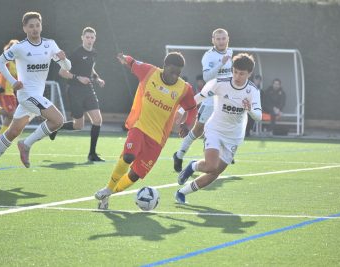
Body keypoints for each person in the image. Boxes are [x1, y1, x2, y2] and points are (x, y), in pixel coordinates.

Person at [94, 52, 197, 209]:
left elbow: (192, 108)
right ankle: (108, 187)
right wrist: (125, 59)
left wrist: (187, 124)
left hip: (157, 139)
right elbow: (133, 62)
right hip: (139, 126)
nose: (175, 76)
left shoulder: (184, 88)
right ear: (164, 66)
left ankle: (108, 195)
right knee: (128, 156)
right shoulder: (149, 72)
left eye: (178, 73)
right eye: (172, 71)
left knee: (135, 175)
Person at [0, 11, 71, 183]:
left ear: (41, 26)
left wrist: (64, 60)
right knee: (58, 120)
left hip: (36, 96)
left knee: (13, 131)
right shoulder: (19, 47)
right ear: (25, 28)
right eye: (31, 26)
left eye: (37, 25)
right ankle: (26, 144)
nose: (35, 29)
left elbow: (67, 66)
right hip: (26, 95)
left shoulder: (50, 44)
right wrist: (13, 81)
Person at [175, 53, 262, 204]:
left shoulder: (252, 91)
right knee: (211, 166)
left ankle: (182, 192)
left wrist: (250, 110)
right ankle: (192, 166)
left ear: (249, 73)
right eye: (235, 71)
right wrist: (182, 110)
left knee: (215, 173)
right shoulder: (220, 82)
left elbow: (259, 115)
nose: (237, 76)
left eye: (241, 74)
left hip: (234, 136)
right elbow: (199, 97)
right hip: (214, 129)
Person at [173, 28, 233, 172]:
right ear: (213, 40)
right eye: (218, 39)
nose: (221, 41)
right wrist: (221, 64)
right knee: (197, 131)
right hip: (210, 101)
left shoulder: (231, 53)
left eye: (223, 38)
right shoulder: (209, 56)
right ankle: (179, 154)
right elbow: (207, 78)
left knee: (224, 128)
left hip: (225, 100)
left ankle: (221, 154)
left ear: (227, 39)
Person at [49, 27, 106, 162]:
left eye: (92, 37)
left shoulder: (94, 53)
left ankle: (92, 154)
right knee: (78, 126)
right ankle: (56, 127)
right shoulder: (75, 53)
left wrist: (97, 79)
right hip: (75, 91)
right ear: (82, 38)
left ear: (95, 39)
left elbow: (91, 68)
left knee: (97, 120)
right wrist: (78, 78)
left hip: (88, 90)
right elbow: (62, 73)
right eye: (87, 37)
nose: (90, 40)